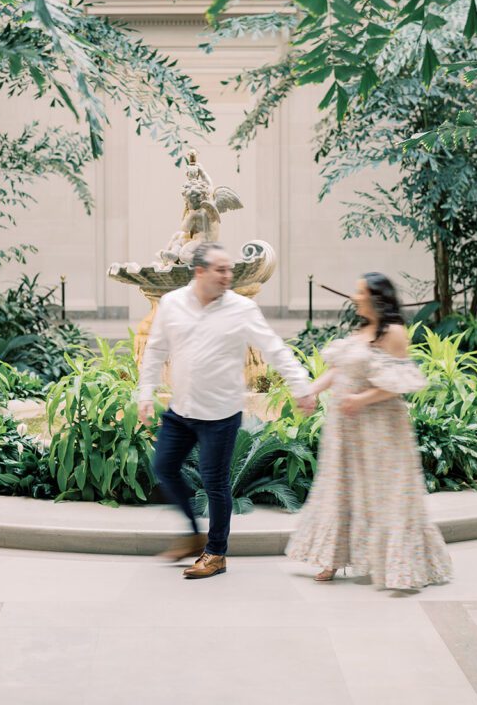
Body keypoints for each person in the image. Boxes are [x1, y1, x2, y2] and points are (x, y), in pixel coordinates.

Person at [137, 242, 314, 579]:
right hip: (182, 409)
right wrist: (146, 393)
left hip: (220, 413)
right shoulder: (172, 303)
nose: (227, 275)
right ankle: (193, 536)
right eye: (220, 269)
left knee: (215, 483)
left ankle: (216, 553)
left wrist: (301, 386)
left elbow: (273, 349)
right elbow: (156, 349)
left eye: (229, 269)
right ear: (199, 271)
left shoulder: (242, 309)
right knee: (164, 467)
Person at [286, 272, 453, 591]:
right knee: (340, 487)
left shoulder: (394, 333)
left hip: (380, 427)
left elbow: (399, 384)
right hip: (346, 427)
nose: (354, 297)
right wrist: (311, 391)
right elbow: (339, 370)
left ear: (377, 297)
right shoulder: (363, 329)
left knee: (386, 492)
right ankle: (332, 557)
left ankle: (400, 564)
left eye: (360, 292)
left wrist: (362, 399)